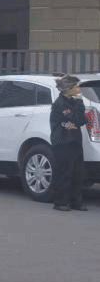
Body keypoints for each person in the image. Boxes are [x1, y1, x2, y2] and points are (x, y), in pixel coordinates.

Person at [50, 75, 88, 212]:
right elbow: (73, 119)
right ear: (68, 89)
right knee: (64, 173)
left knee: (77, 173)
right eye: (76, 87)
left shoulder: (75, 102)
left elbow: (81, 121)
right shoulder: (60, 104)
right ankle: (60, 202)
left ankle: (76, 202)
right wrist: (78, 109)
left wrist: (80, 103)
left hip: (75, 140)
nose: (79, 89)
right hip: (62, 142)